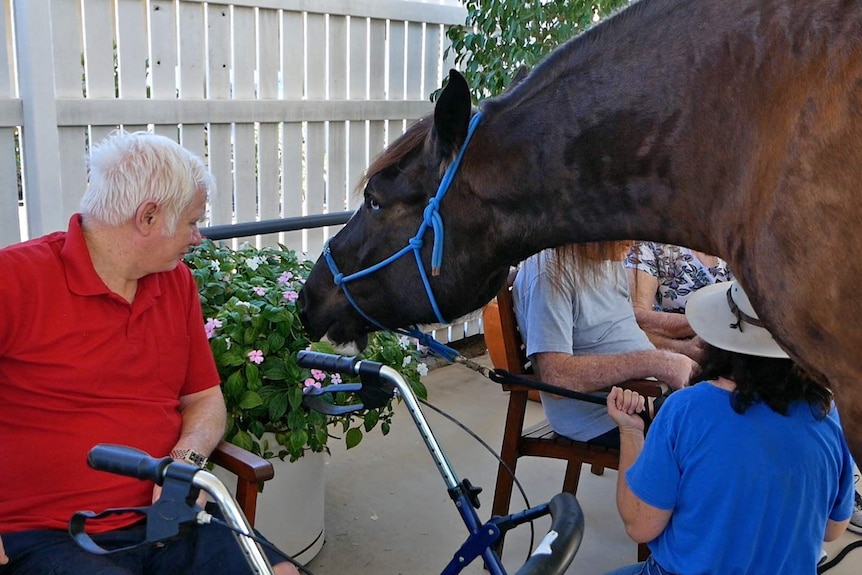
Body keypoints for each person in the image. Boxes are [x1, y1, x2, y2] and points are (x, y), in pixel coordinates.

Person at [0, 131, 298, 574]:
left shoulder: (175, 283)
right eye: (192, 222)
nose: (198, 237)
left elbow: (204, 398)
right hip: (50, 533)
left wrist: (186, 462)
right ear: (149, 216)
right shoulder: (15, 279)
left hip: (170, 519)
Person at [605, 280, 855, 575]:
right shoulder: (829, 417)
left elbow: (640, 524)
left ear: (720, 338)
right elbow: (833, 528)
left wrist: (631, 431)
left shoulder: (685, 410)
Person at [512, 242, 697, 447]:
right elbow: (556, 377)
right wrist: (658, 363)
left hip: (646, 396)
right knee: (713, 436)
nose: (634, 240)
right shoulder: (549, 273)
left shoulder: (608, 254)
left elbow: (624, 332)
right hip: (603, 417)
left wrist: (684, 352)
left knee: (728, 409)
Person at [625, 241, 733, 362]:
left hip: (732, 354)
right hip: (675, 359)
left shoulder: (730, 247)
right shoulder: (649, 246)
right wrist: (686, 344)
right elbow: (636, 318)